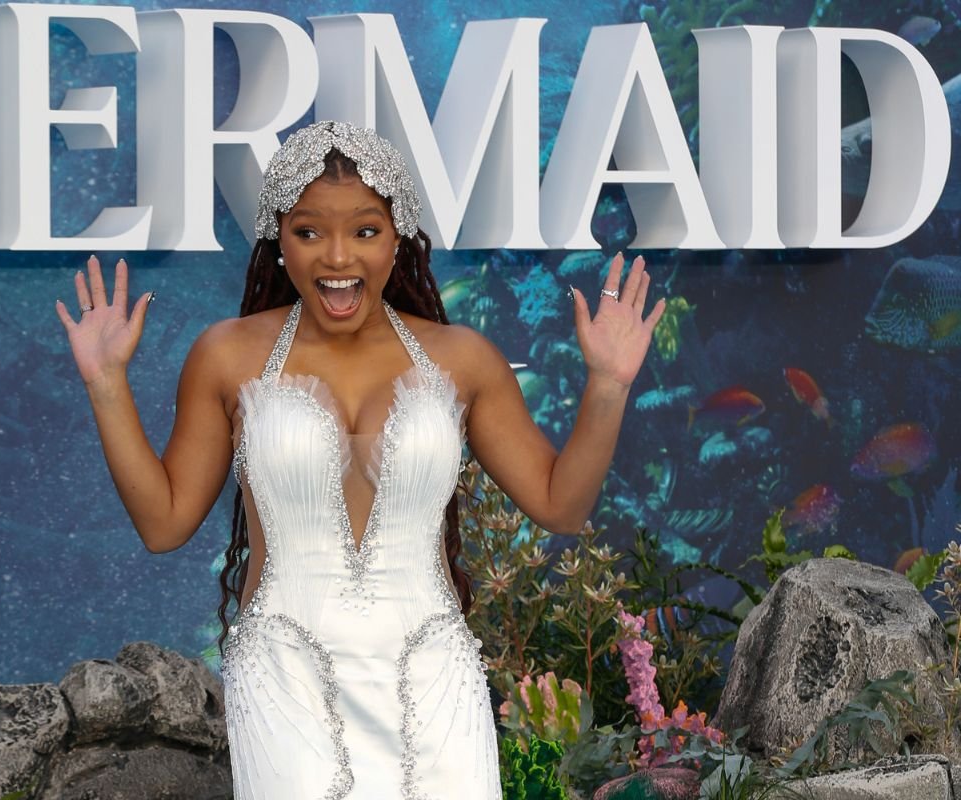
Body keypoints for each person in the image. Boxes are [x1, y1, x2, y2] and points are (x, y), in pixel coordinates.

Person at [55, 120, 665, 798]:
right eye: (309, 232)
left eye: (366, 231)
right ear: (278, 239)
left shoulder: (463, 359)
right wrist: (105, 384)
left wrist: (609, 385)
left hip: (434, 682)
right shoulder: (226, 355)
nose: (337, 256)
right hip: (285, 680)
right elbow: (163, 524)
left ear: (397, 237)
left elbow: (561, 507)